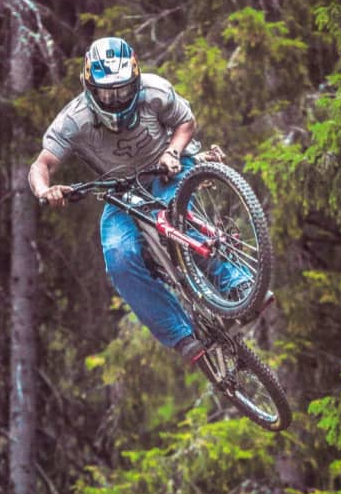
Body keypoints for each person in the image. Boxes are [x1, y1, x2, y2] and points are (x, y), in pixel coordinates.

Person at [29, 36, 239, 364]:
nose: (115, 99)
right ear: (88, 87)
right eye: (106, 93)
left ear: (136, 80)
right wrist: (45, 190)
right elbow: (42, 165)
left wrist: (172, 152)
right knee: (118, 256)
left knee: (172, 215)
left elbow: (186, 122)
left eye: (123, 90)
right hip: (120, 192)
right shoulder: (73, 119)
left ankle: (237, 284)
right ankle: (181, 336)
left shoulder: (154, 90)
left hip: (169, 169)